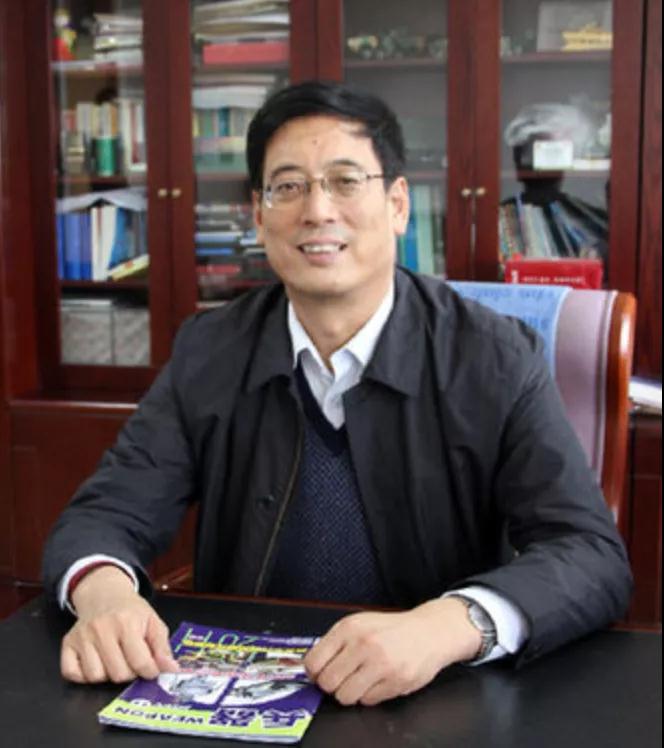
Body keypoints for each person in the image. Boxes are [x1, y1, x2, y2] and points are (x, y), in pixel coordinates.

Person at [42, 81, 632, 707]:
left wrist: (449, 625)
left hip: (430, 695)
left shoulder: (493, 356)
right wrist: (105, 594)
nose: (318, 210)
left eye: (346, 181)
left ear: (398, 205)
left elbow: (589, 553)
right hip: (248, 692)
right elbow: (105, 513)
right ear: (258, 214)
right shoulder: (209, 351)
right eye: (288, 186)